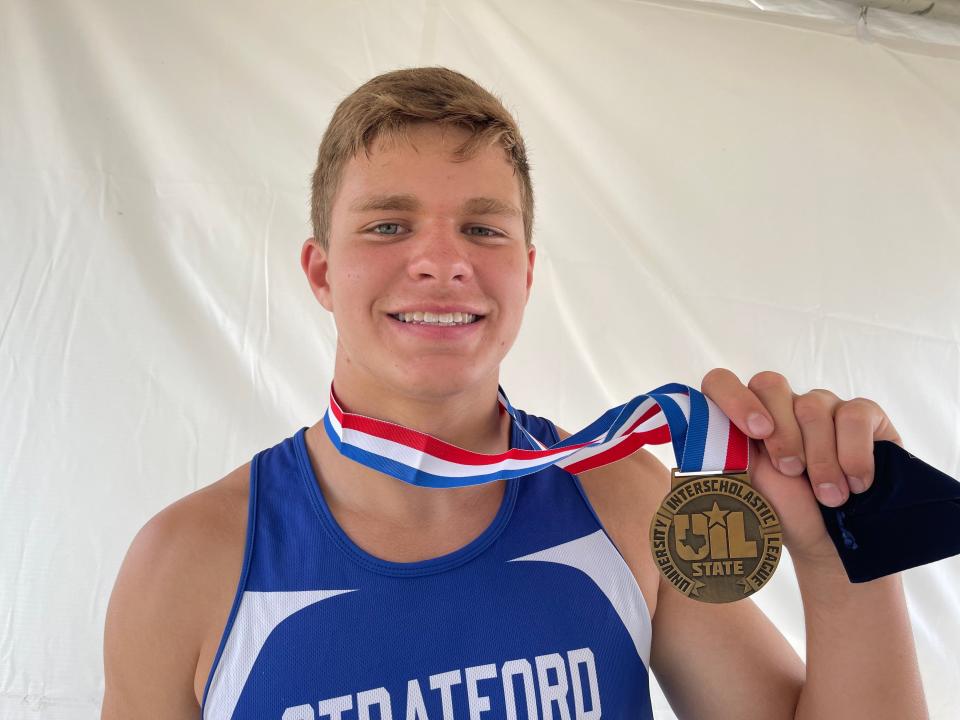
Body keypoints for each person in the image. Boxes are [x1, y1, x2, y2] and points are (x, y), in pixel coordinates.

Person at [101, 66, 927, 719]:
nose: (441, 260)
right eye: (388, 225)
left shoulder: (624, 503)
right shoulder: (186, 566)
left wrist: (843, 549)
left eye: (484, 228)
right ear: (320, 272)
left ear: (527, 273)